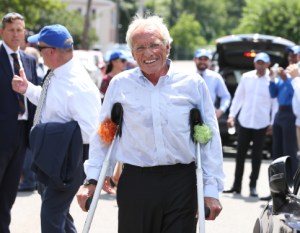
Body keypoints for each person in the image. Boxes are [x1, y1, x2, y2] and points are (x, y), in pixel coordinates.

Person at [77, 14, 224, 233]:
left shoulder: (192, 85)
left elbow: (209, 137)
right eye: (139, 48)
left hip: (182, 182)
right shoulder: (120, 85)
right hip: (137, 182)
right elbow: (105, 134)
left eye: (154, 45)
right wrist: (93, 178)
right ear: (132, 53)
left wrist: (211, 190)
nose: (148, 53)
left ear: (167, 47)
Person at [11, 24, 101, 233]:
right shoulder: (58, 73)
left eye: (40, 48)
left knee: (51, 216)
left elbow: (90, 131)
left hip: (66, 160)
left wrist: (52, 134)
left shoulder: (78, 84)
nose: (38, 54)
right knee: (59, 215)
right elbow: (51, 103)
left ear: (51, 51)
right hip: (51, 157)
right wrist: (29, 90)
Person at [0, 12, 39, 232]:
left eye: (19, 30)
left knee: (9, 190)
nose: (16, 34)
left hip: (22, 133)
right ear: (2, 32)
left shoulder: (30, 60)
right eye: (12, 29)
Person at [223, 52, 278, 197]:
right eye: (258, 63)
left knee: (257, 156)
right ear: (254, 64)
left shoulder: (272, 80)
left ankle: (253, 185)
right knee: (240, 154)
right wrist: (231, 115)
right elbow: (238, 97)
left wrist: (272, 123)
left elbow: (275, 103)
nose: (260, 65)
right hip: (245, 121)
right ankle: (236, 185)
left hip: (261, 123)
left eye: (263, 63)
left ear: (268, 64)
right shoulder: (247, 77)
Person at [18, 46, 45, 192]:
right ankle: (29, 179)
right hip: (31, 118)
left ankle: (29, 180)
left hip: (33, 118)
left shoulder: (39, 73)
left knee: (29, 152)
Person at [193, 48, 231, 119]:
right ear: (194, 60)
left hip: (210, 117)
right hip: (191, 117)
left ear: (209, 61)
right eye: (200, 59)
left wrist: (221, 110)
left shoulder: (216, 77)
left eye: (205, 59)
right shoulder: (188, 76)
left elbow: (226, 96)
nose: (202, 62)